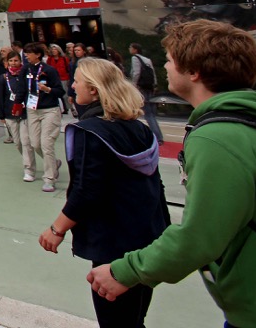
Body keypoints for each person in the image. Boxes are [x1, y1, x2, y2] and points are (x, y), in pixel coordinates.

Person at [88, 20, 256, 328]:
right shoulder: (246, 121)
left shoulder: (217, 138)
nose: (165, 66)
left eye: (169, 60)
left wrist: (124, 271)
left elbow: (199, 237)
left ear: (193, 72)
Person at [39, 58, 169, 327]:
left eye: (77, 80)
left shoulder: (92, 132)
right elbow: (156, 186)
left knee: (115, 321)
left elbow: (87, 190)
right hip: (145, 240)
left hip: (112, 245)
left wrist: (56, 229)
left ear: (94, 90)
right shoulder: (140, 130)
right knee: (135, 316)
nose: (72, 86)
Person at [24, 42, 64, 192]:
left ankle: (49, 179)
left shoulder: (49, 70)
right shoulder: (26, 69)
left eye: (29, 53)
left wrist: (47, 89)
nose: (26, 55)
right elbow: (22, 88)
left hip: (49, 110)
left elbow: (60, 91)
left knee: (46, 144)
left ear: (38, 54)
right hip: (32, 109)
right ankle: (54, 163)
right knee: (35, 143)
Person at [0, 50, 34, 179]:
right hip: (10, 113)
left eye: (16, 60)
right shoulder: (3, 78)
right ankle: (31, 161)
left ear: (20, 61)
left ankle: (28, 169)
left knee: (25, 141)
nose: (13, 63)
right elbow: (0, 97)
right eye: (10, 61)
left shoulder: (26, 75)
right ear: (6, 63)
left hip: (24, 113)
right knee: (18, 142)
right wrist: (1, 115)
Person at [128, 43, 163, 142]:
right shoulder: (147, 60)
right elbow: (153, 74)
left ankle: (154, 137)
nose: (129, 49)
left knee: (141, 112)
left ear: (135, 50)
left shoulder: (135, 58)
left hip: (141, 88)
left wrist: (133, 85)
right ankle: (158, 136)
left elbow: (136, 72)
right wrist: (154, 85)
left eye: (130, 48)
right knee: (151, 113)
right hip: (149, 88)